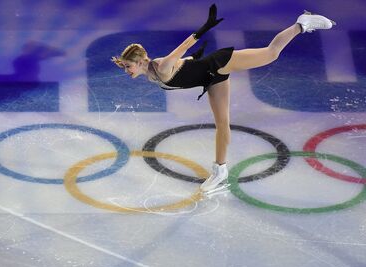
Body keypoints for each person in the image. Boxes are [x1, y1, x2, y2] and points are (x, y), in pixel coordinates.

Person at [112, 5, 335, 192]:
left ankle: (302, 23)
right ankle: (220, 171)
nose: (127, 70)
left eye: (128, 66)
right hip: (211, 79)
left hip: (219, 64)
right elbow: (184, 61)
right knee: (222, 124)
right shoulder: (150, 73)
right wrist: (192, 61)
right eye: (125, 67)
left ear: (141, 61)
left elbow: (182, 48)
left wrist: (204, 28)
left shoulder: (161, 66)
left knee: (271, 53)